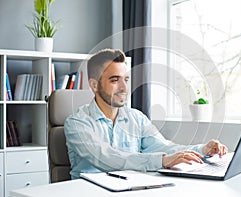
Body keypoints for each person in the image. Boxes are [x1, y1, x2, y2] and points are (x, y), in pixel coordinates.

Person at [64, 48, 228, 179]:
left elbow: (165, 147)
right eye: (114, 80)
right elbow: (106, 157)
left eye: (126, 80)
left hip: (130, 189)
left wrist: (201, 150)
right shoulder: (77, 123)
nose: (124, 87)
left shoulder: (136, 118)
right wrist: (162, 161)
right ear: (94, 85)